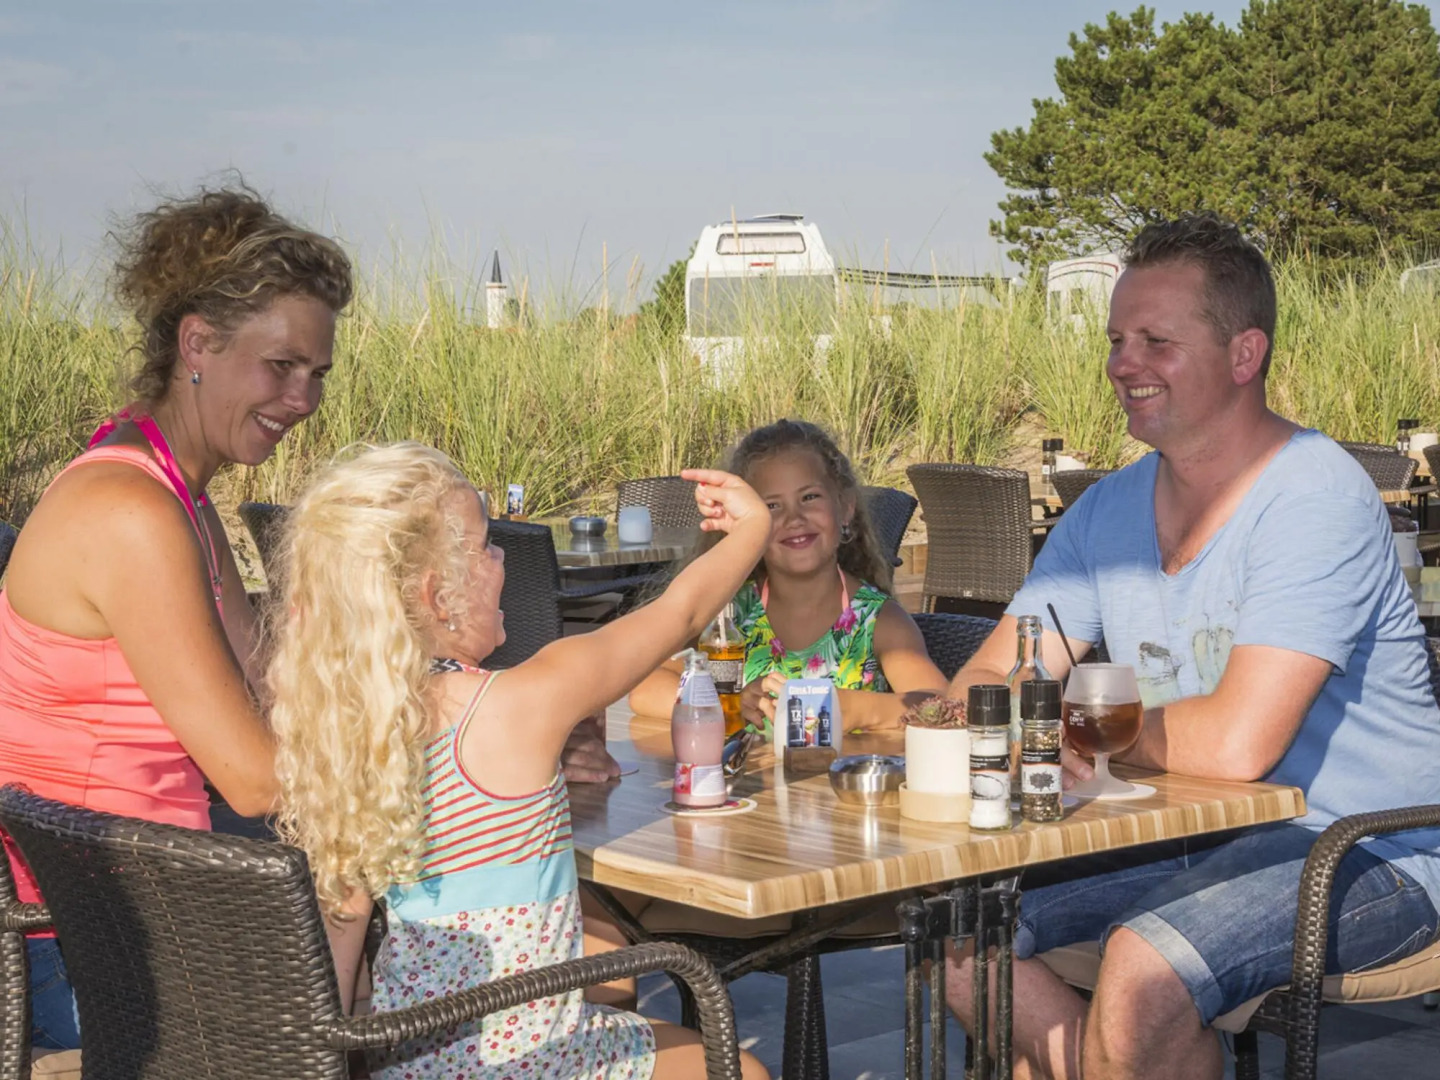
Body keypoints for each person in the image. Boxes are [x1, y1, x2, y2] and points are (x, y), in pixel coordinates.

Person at [944, 213, 1440, 1080]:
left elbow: (1237, 745)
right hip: (1187, 832)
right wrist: (1013, 715)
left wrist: (1063, 733)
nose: (1122, 365)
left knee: (1142, 974)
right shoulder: (1108, 510)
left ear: (1244, 356)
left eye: (1155, 341)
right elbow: (996, 670)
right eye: (1116, 339)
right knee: (959, 938)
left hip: (1367, 846)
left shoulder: (1313, 498)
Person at [266, 442, 771, 1080]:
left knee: (605, 967)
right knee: (741, 1071)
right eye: (484, 546)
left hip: (414, 1058)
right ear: (438, 595)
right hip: (529, 1058)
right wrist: (753, 527)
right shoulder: (519, 705)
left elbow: (339, 942)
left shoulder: (350, 731)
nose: (503, 557)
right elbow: (682, 613)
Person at [0, 185, 352, 1053]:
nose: (303, 399)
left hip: (151, 906)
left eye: (317, 374)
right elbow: (257, 779)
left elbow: (273, 689)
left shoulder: (174, 491)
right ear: (198, 342)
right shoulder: (130, 512)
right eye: (282, 367)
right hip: (93, 955)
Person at [629, 419, 945, 731]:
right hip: (745, 782)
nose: (794, 518)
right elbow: (645, 687)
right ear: (745, 522)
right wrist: (730, 704)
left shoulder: (877, 621)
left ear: (845, 507)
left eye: (809, 497)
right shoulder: (728, 615)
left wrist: (859, 710)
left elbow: (941, 705)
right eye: (771, 506)